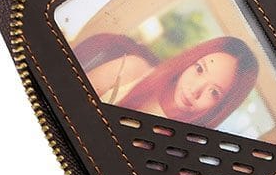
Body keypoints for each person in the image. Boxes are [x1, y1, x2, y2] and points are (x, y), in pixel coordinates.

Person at [73, 32, 259, 129]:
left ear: (221, 107)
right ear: (190, 61)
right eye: (199, 69)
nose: (195, 90)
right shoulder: (133, 68)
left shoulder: (179, 150)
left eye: (214, 92)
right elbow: (69, 99)